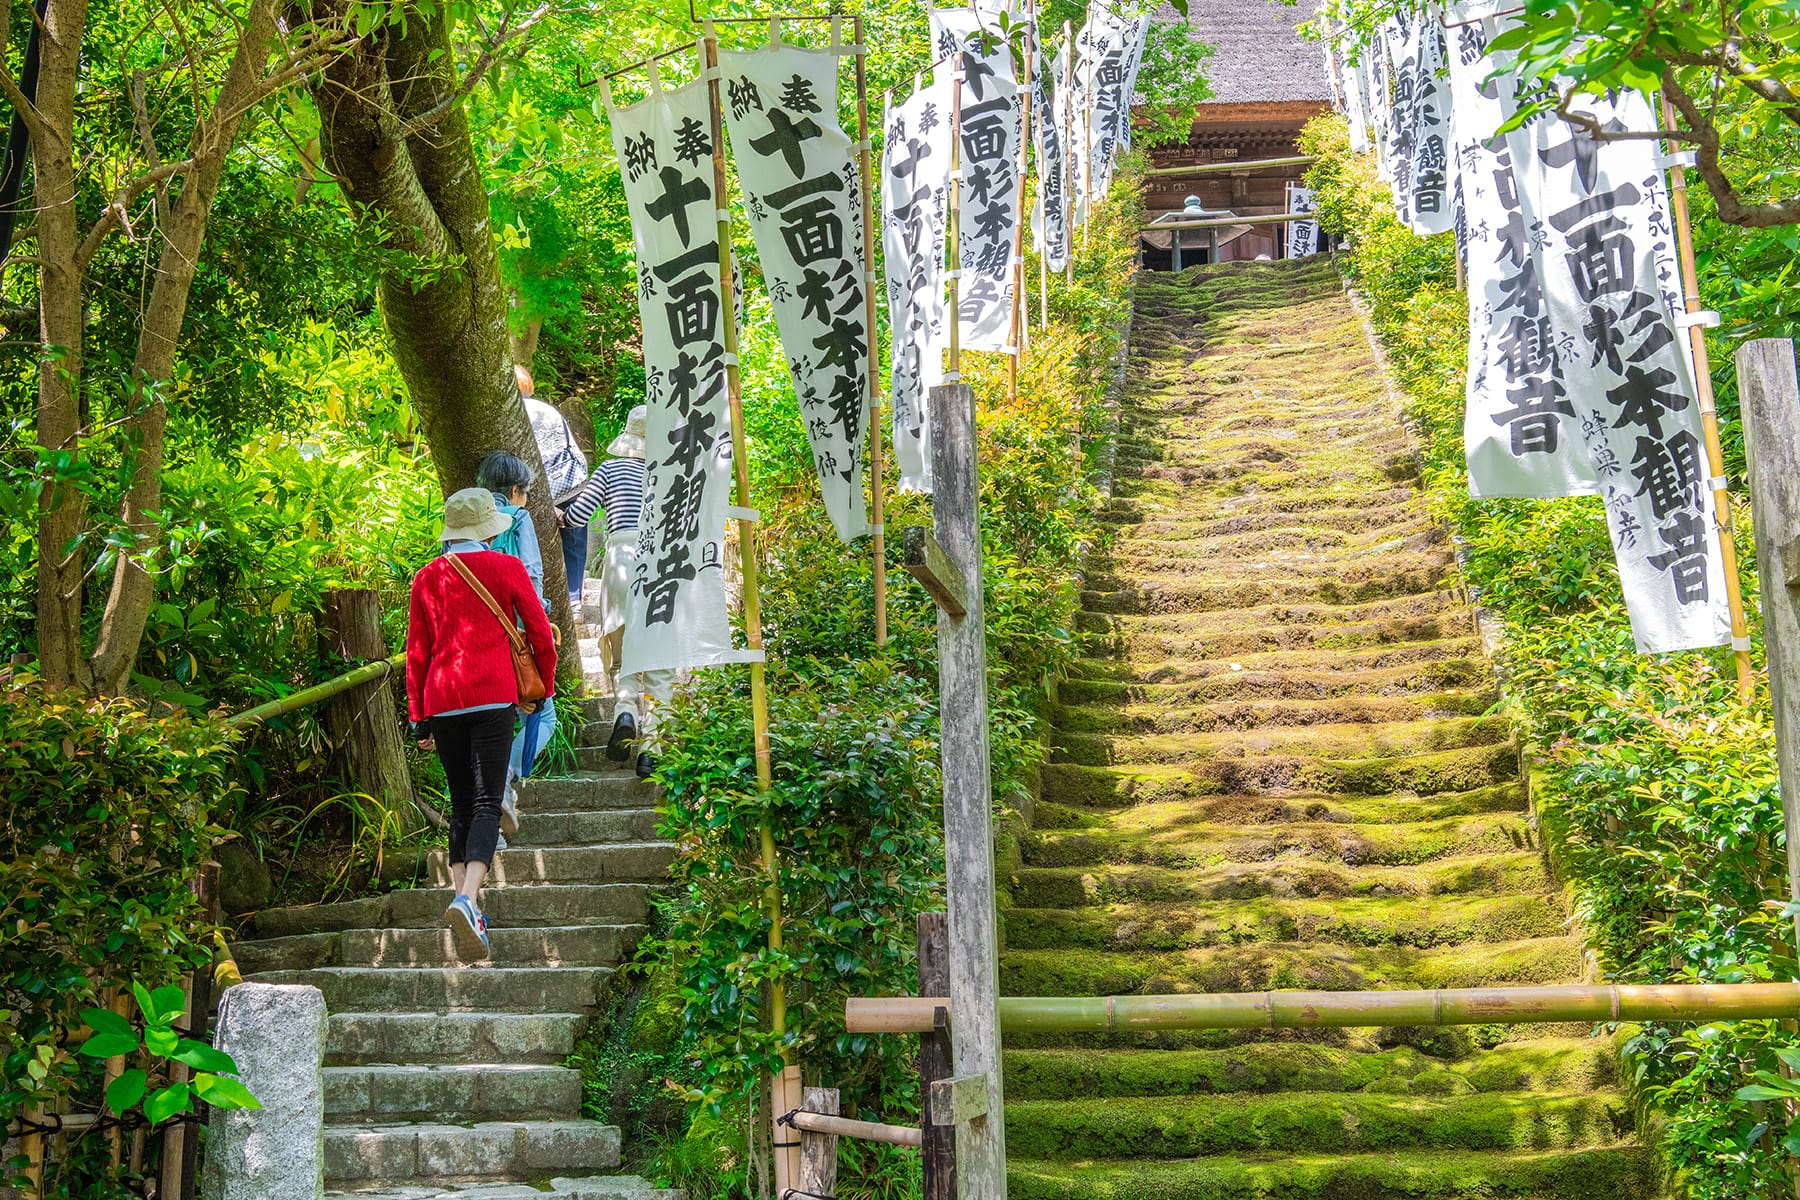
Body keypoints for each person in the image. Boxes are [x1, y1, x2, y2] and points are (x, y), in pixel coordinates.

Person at [407, 487, 558, 960]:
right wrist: (542, 688)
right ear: (488, 528)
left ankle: (465, 902)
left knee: (461, 803)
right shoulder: (507, 568)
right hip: (493, 695)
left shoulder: (427, 578)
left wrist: (419, 718)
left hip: (443, 697)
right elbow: (539, 634)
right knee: (489, 801)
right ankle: (468, 898)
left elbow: (417, 651)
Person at [560, 405, 671, 779]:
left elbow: (578, 515)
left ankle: (625, 712)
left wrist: (559, 517)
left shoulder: (609, 470)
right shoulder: (664, 476)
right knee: (659, 662)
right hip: (659, 565)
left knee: (622, 655)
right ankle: (652, 750)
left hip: (620, 559)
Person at [466, 451, 560, 793]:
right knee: (541, 715)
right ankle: (502, 778)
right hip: (516, 630)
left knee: (492, 714)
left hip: (473, 634)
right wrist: (538, 618)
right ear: (517, 488)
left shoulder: (463, 523)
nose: (527, 499)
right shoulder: (518, 517)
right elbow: (532, 573)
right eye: (528, 492)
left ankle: (483, 785)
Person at [516, 364, 591, 608]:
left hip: (534, 490)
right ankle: (575, 599)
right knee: (574, 542)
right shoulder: (548, 410)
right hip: (570, 484)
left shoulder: (511, 412)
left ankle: (537, 602)